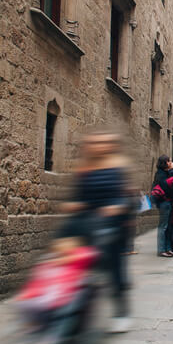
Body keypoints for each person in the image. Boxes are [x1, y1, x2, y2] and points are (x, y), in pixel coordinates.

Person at [58, 130, 133, 332]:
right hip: (87, 224)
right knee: (72, 261)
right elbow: (78, 195)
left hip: (111, 225)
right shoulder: (85, 169)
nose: (99, 146)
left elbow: (125, 196)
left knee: (114, 269)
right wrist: (73, 205)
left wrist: (116, 207)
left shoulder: (118, 167)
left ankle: (121, 311)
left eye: (103, 142)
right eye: (95, 142)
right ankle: (71, 308)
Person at [152, 155, 173, 257]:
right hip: (164, 203)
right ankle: (161, 249)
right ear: (166, 162)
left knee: (168, 227)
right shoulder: (161, 174)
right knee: (163, 226)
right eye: (170, 161)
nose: (171, 162)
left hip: (167, 202)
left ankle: (167, 248)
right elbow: (167, 189)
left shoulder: (166, 173)